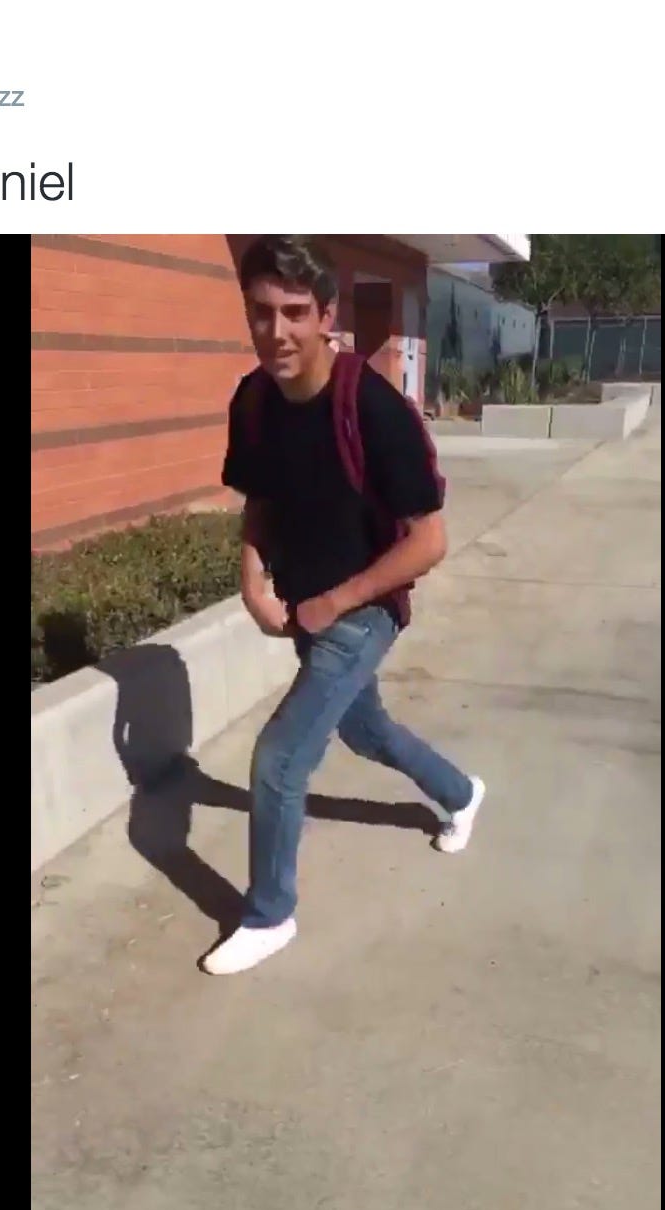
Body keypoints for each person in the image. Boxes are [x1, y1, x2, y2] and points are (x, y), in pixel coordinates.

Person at [204, 235, 485, 976]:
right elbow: (260, 497)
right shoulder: (254, 400)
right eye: (261, 312)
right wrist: (253, 580)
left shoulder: (373, 407)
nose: (277, 331)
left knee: (279, 759)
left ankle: (269, 914)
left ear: (327, 315)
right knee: (367, 731)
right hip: (308, 608)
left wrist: (337, 601)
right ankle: (461, 793)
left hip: (363, 611)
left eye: (295, 312)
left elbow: (429, 540)